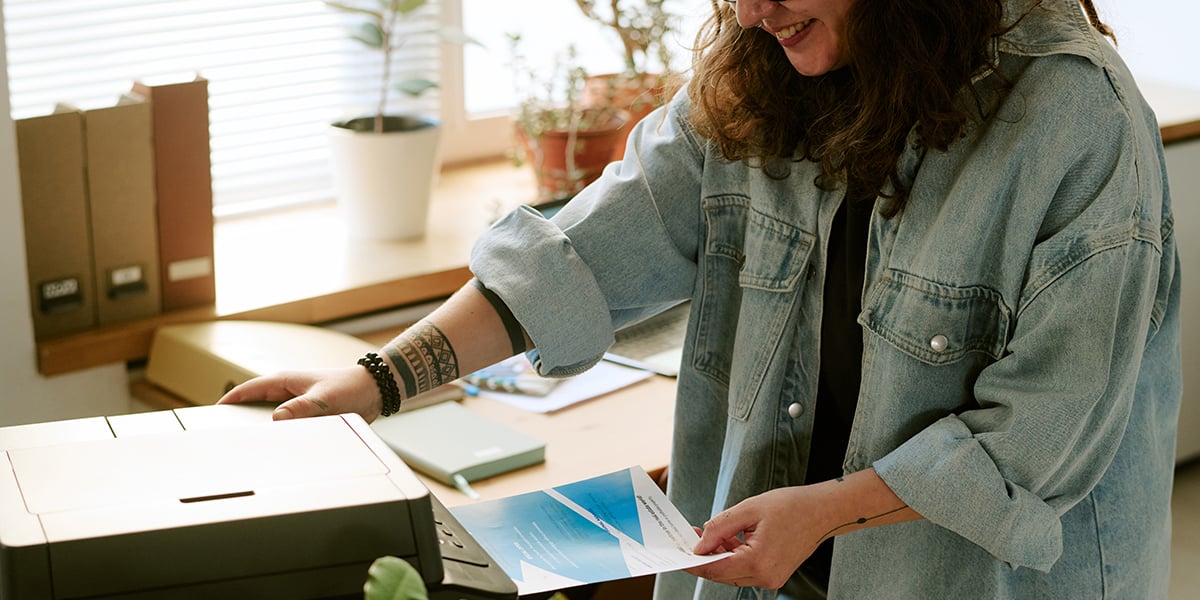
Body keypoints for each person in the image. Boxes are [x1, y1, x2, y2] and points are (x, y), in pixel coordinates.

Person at [220, 0, 1182, 597]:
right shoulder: (758, 71)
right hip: (773, 572)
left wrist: (823, 512)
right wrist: (377, 378)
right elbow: (583, 253)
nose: (754, 7)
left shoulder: (1075, 125)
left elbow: (1030, 449)